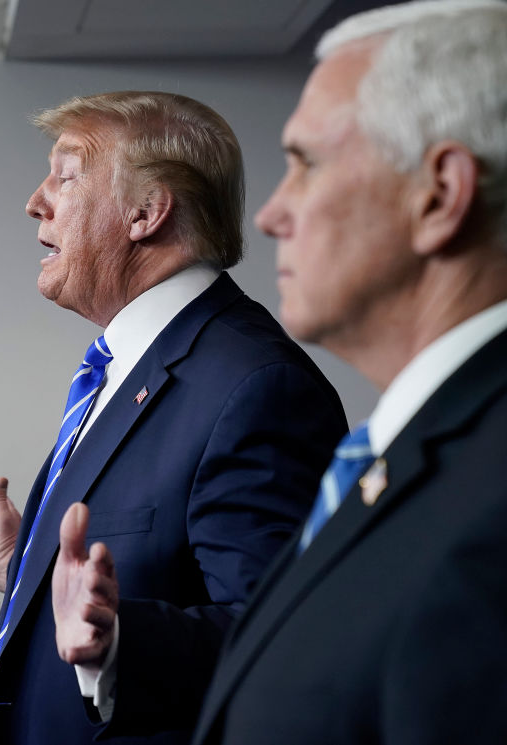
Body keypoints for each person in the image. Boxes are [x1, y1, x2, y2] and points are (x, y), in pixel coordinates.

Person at [0, 90, 347, 745]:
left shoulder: (258, 386)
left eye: (66, 174)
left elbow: (284, 640)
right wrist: (29, 566)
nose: (36, 199)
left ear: (146, 211)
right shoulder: (127, 362)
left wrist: (120, 641)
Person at [190, 2, 507, 743]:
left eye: (305, 163)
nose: (269, 213)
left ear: (438, 195)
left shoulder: (492, 501)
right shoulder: (406, 456)